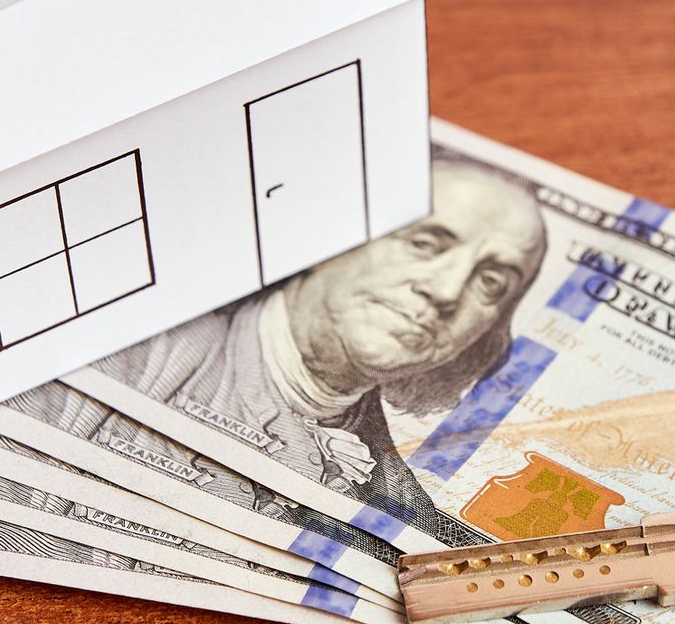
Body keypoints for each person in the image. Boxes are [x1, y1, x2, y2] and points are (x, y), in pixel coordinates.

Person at [91, 154, 548, 536]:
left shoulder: (403, 514)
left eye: (490, 282)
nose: (448, 291)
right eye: (425, 243)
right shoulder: (122, 353)